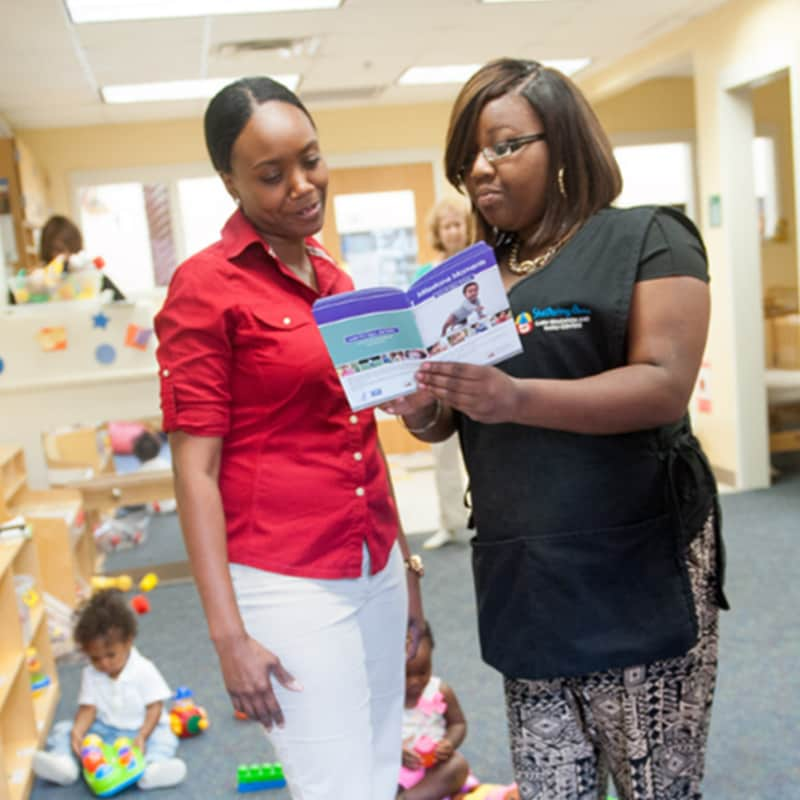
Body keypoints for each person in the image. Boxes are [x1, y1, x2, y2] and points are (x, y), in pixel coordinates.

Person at [384, 58, 728, 800]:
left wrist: (516, 398)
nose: (480, 168)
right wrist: (420, 404)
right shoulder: (469, 278)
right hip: (525, 579)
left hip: (633, 566)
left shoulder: (648, 238)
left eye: (504, 145)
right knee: (551, 790)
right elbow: (450, 417)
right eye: (468, 156)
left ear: (565, 144)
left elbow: (664, 386)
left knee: (656, 789)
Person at [153, 76, 424, 800]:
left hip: (374, 563)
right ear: (229, 182)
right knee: (333, 783)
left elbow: (362, 432)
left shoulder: (337, 280)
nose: (303, 186)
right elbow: (195, 473)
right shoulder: (204, 287)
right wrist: (227, 634)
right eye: (271, 175)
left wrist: (409, 572)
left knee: (377, 768)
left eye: (311, 159)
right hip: (286, 579)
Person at [32, 589, 186, 790]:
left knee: (164, 738)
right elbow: (88, 708)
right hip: (105, 730)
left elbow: (154, 707)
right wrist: (77, 733)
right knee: (64, 730)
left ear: (128, 641)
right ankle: (64, 765)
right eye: (95, 658)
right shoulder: (90, 673)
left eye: (111, 655)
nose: (104, 663)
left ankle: (152, 768)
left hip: (141, 729)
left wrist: (142, 735)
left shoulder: (143, 669)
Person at [414, 198, 471, 550]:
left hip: (483, 371)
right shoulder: (425, 275)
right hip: (442, 375)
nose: (453, 231)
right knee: (444, 455)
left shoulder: (482, 265)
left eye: (458, 224)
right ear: (438, 232)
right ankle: (450, 524)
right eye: (446, 226)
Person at [398, 621, 472, 800]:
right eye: (406, 675)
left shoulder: (440, 691)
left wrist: (448, 743)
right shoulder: (384, 701)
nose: (415, 682)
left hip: (435, 768)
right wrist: (395, 752)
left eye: (423, 672)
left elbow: (458, 724)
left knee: (459, 766)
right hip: (398, 771)